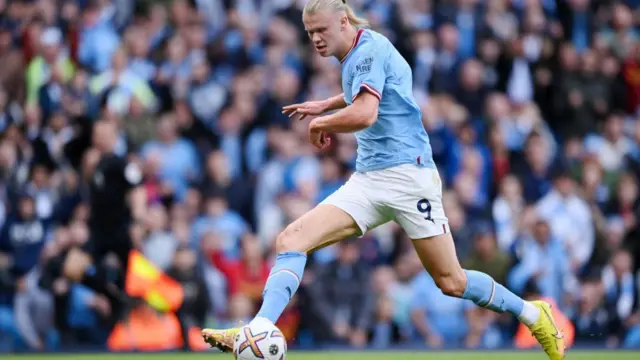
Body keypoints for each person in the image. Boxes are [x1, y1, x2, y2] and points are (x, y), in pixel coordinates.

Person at [202, 1, 565, 359]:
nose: (314, 39)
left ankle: (535, 314)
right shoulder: (355, 55)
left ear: (342, 22)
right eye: (309, 32)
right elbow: (369, 91)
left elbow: (365, 112)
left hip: (409, 178)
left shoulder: (369, 47)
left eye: (321, 30)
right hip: (369, 180)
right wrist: (324, 105)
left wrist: (320, 123)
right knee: (291, 239)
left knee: (452, 281)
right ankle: (258, 329)